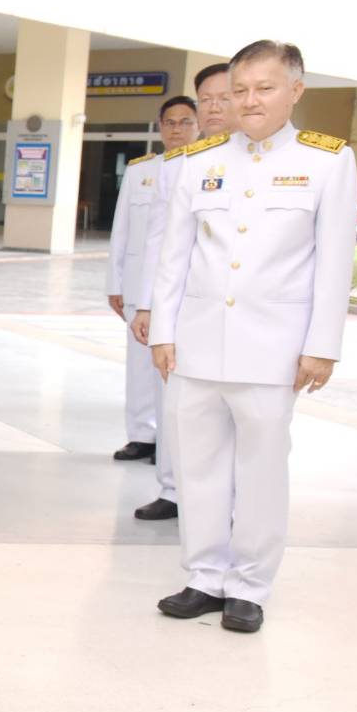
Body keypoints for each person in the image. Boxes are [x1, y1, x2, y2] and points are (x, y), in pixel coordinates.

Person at [148, 41, 357, 633]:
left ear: (295, 90)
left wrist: (321, 346)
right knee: (197, 466)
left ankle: (249, 586)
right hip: (196, 343)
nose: (249, 100)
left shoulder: (327, 160)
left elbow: (334, 261)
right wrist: (163, 330)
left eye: (264, 88)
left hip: (274, 349)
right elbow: (174, 254)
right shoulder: (201, 159)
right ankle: (203, 576)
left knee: (262, 470)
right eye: (239, 90)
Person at [132, 65, 239, 520]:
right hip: (186, 309)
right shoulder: (180, 165)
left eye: (223, 97)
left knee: (239, 419)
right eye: (206, 99)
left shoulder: (279, 163)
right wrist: (147, 306)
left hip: (245, 316)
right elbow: (159, 242)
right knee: (178, 406)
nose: (214, 107)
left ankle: (234, 502)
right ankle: (174, 490)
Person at [104, 96, 199, 472]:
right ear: (160, 127)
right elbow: (122, 230)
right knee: (139, 366)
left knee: (171, 369)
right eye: (170, 122)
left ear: (198, 126)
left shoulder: (204, 168)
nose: (177, 129)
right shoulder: (141, 171)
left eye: (185, 122)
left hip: (180, 290)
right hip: (137, 285)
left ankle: (170, 443)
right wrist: (115, 283)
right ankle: (141, 434)